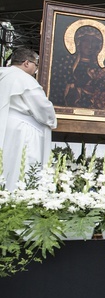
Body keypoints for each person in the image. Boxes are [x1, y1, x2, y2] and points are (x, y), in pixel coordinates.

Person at [0, 48, 57, 191]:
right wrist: (52, 120)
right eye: (35, 65)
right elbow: (42, 107)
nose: (36, 69)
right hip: (21, 130)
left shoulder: (3, 74)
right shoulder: (24, 79)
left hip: (4, 125)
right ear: (26, 63)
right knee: (22, 165)